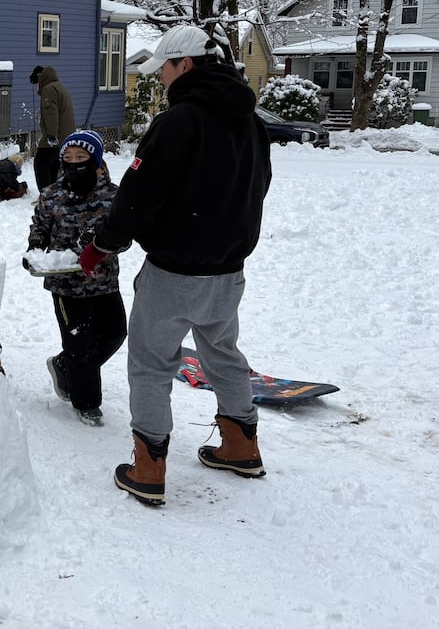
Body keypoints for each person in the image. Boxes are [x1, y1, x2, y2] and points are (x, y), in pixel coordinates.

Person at [78, 25, 271, 507]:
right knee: (221, 352)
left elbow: (138, 198)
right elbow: (257, 187)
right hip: (228, 272)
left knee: (150, 364)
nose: (160, 78)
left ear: (185, 64)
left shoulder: (178, 122)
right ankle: (240, 444)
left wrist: (102, 244)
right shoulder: (251, 123)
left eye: (163, 68)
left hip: (174, 272)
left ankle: (148, 467)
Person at [24, 131, 127, 426]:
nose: (73, 164)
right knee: (80, 344)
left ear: (95, 161)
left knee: (114, 333)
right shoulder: (52, 194)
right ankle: (87, 402)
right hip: (65, 284)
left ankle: (63, 365)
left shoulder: (113, 196)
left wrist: (103, 245)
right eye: (67, 159)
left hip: (103, 280)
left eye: (80, 159)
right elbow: (40, 225)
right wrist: (35, 249)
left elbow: (124, 236)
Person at [30, 65, 76, 191]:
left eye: (35, 84)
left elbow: (51, 113)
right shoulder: (59, 86)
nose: (35, 88)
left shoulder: (49, 89)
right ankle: (54, 192)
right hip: (66, 135)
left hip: (56, 136)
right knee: (54, 164)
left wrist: (51, 135)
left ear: (40, 80)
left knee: (41, 162)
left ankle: (46, 195)